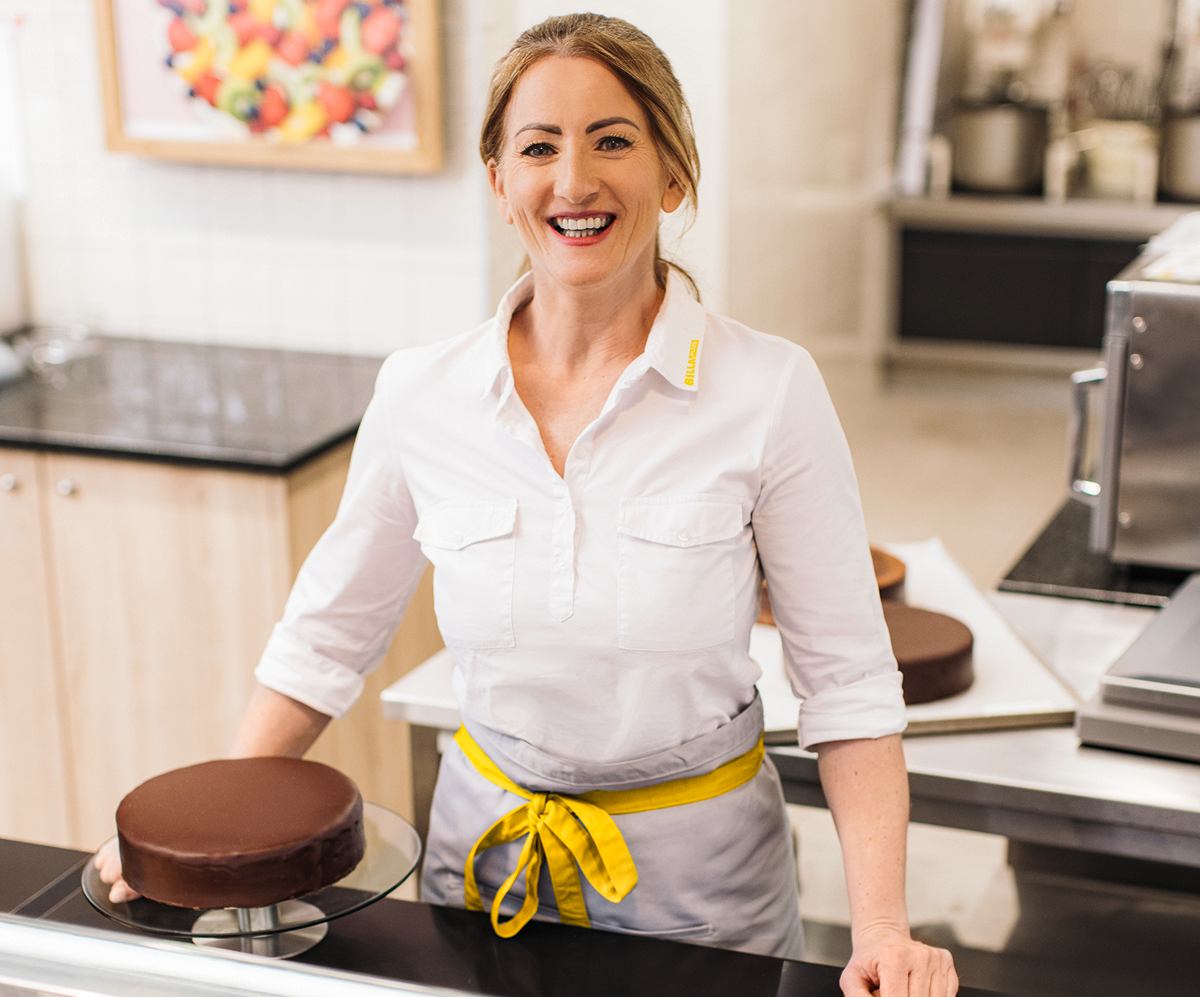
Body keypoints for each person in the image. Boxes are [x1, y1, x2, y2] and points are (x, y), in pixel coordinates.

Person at [99, 14, 957, 997]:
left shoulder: (769, 389)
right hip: (483, 878)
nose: (573, 180)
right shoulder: (424, 391)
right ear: (502, 185)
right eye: (538, 147)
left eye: (613, 140)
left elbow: (848, 680)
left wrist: (883, 927)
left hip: (704, 898)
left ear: (673, 177)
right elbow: (324, 640)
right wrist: (202, 847)